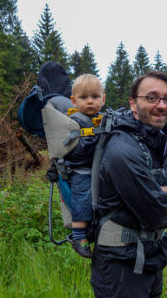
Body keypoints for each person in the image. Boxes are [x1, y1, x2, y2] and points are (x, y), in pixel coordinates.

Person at [90, 71, 167, 297]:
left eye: (166, 99)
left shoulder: (162, 143)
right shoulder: (122, 149)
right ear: (133, 103)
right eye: (151, 98)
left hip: (151, 258)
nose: (161, 105)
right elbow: (156, 214)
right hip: (120, 267)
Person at [65, 74, 106, 258]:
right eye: (83, 97)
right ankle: (78, 237)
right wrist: (93, 136)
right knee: (82, 200)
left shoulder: (102, 118)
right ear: (73, 101)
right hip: (81, 170)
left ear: (103, 99)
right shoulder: (75, 121)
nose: (90, 101)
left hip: (100, 170)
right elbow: (76, 150)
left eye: (95, 97)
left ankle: (96, 230)